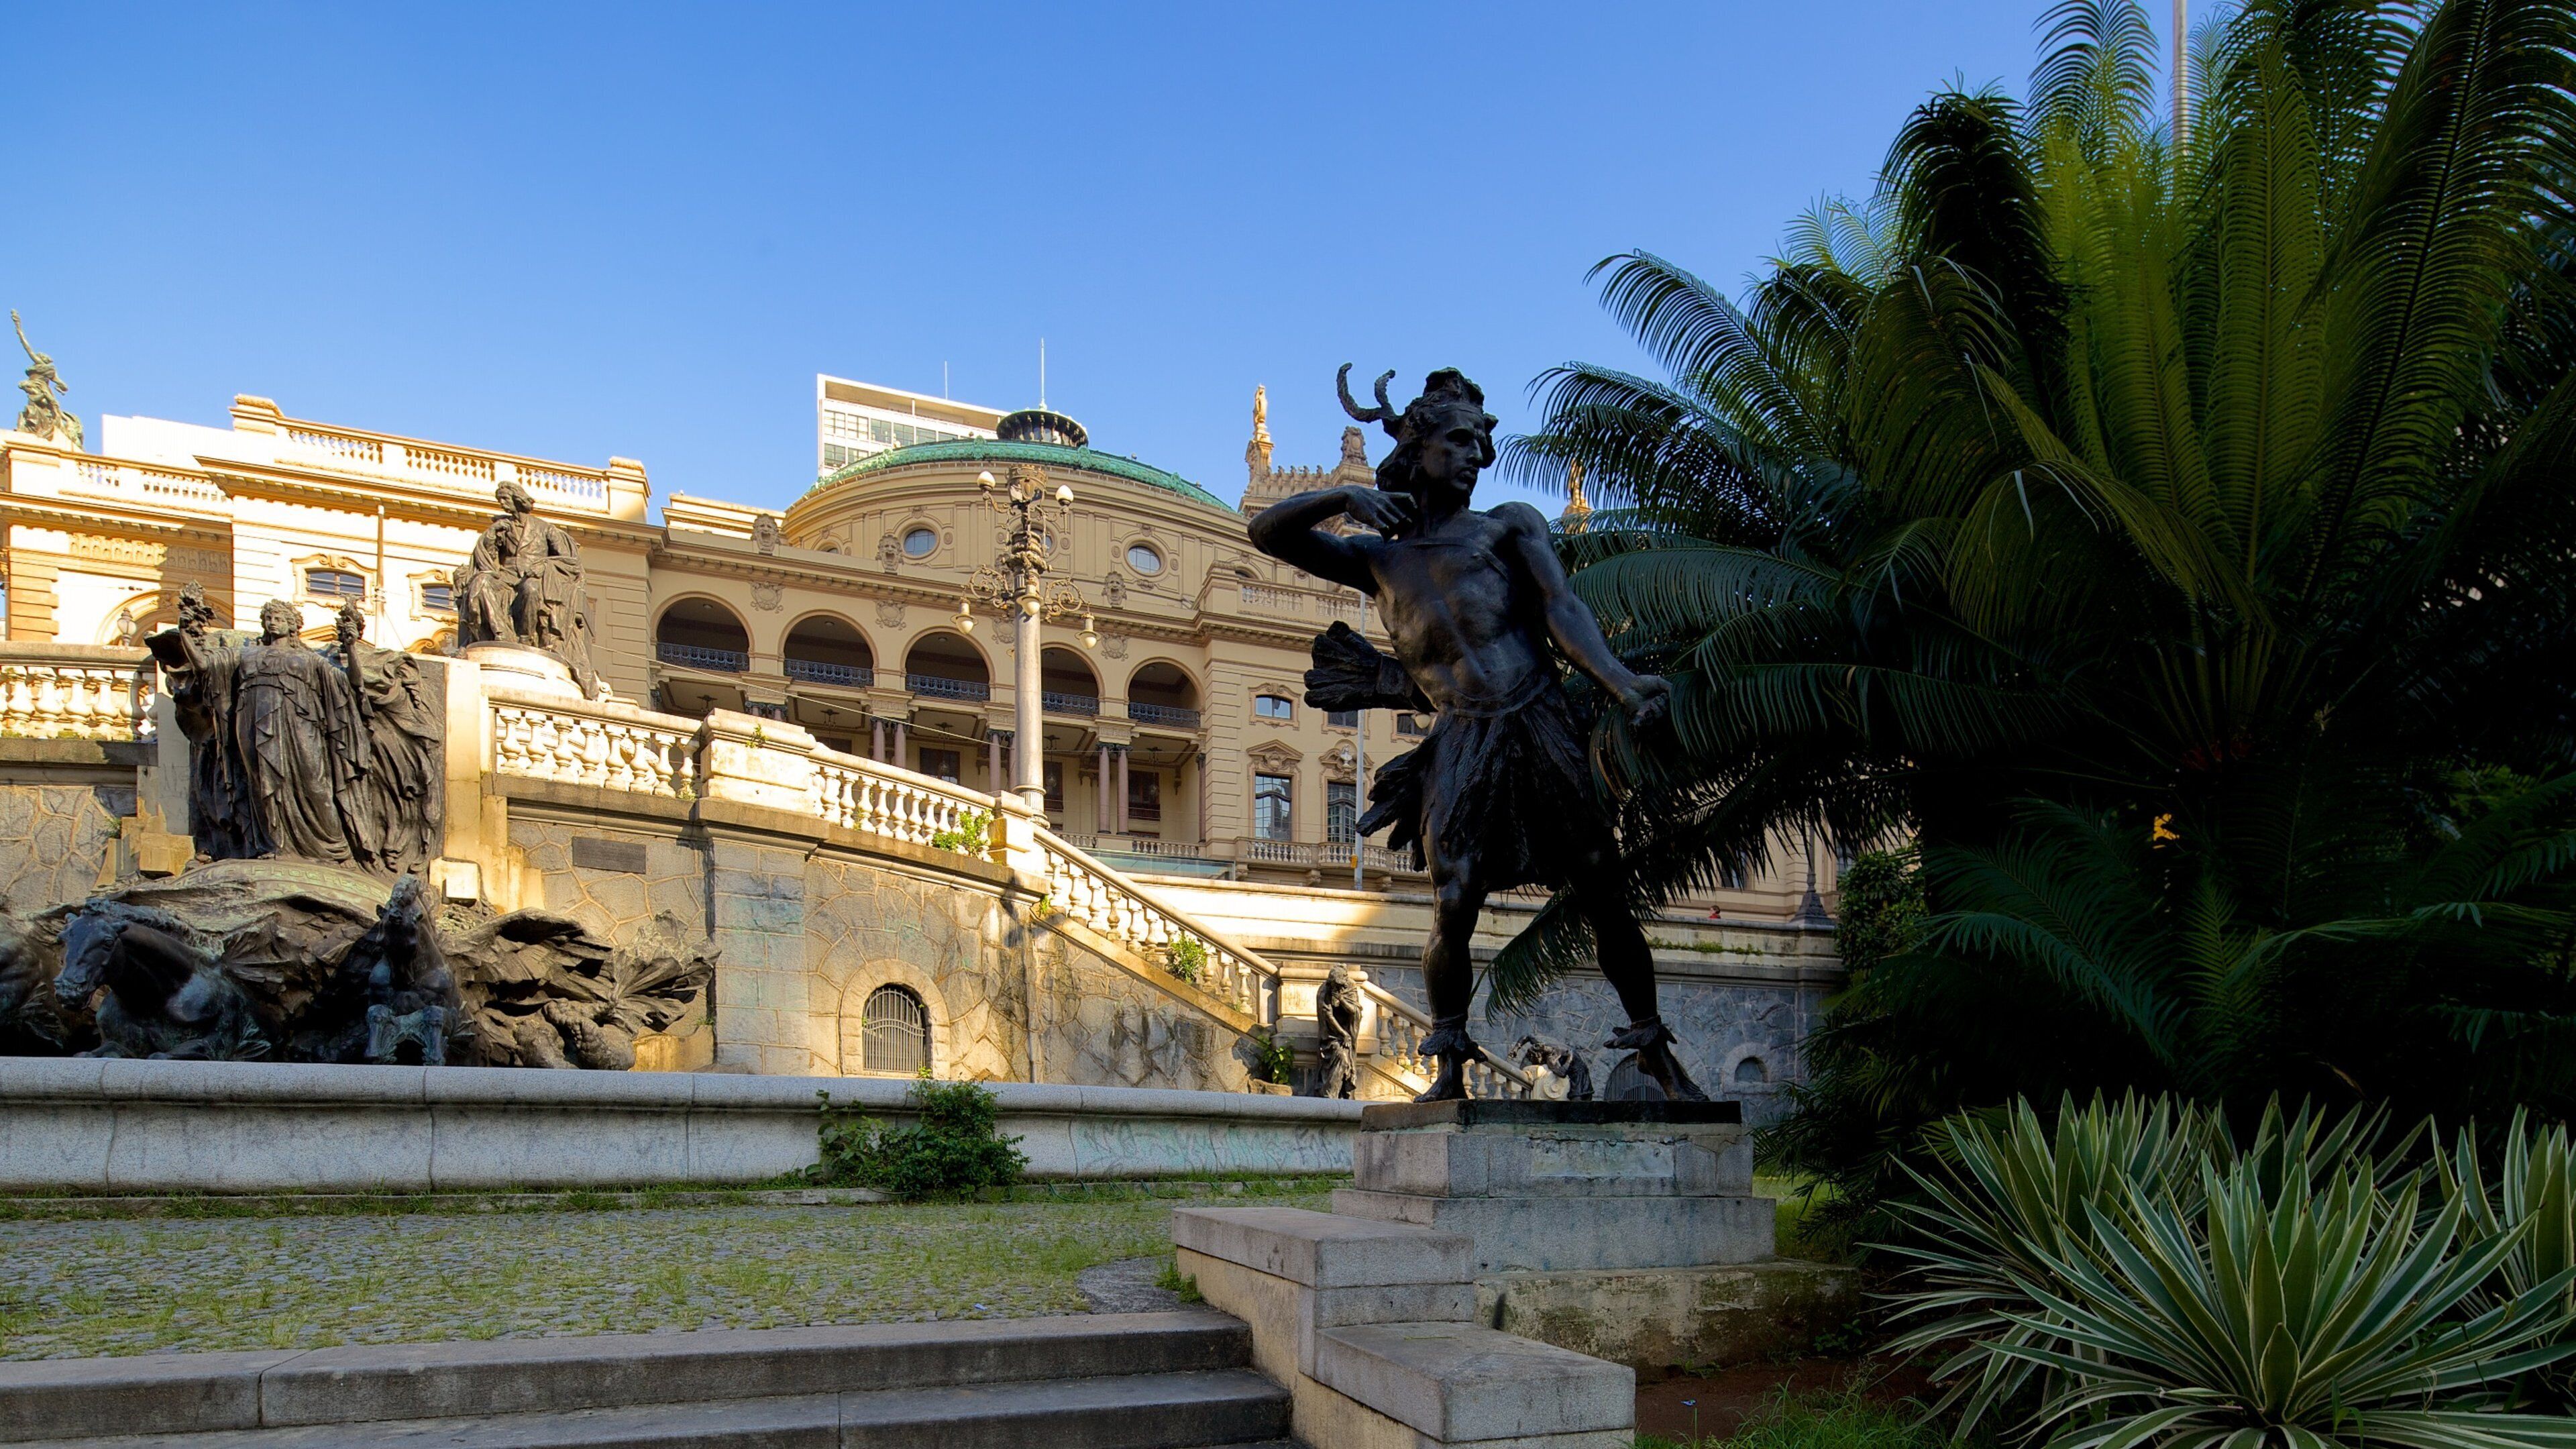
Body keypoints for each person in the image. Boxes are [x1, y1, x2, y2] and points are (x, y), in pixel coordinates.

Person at [1249, 368, 1703, 1102]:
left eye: (1482, 444)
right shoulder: (1377, 558)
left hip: (1538, 715)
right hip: (1463, 734)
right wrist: (1340, 497)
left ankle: (1652, 1048)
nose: (1477, 456)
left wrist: (1618, 682)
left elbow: (1563, 608)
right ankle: (1451, 1064)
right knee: (1453, 900)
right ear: (1418, 446)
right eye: (1460, 441)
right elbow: (1265, 533)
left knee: (1600, 886)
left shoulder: (1509, 526)